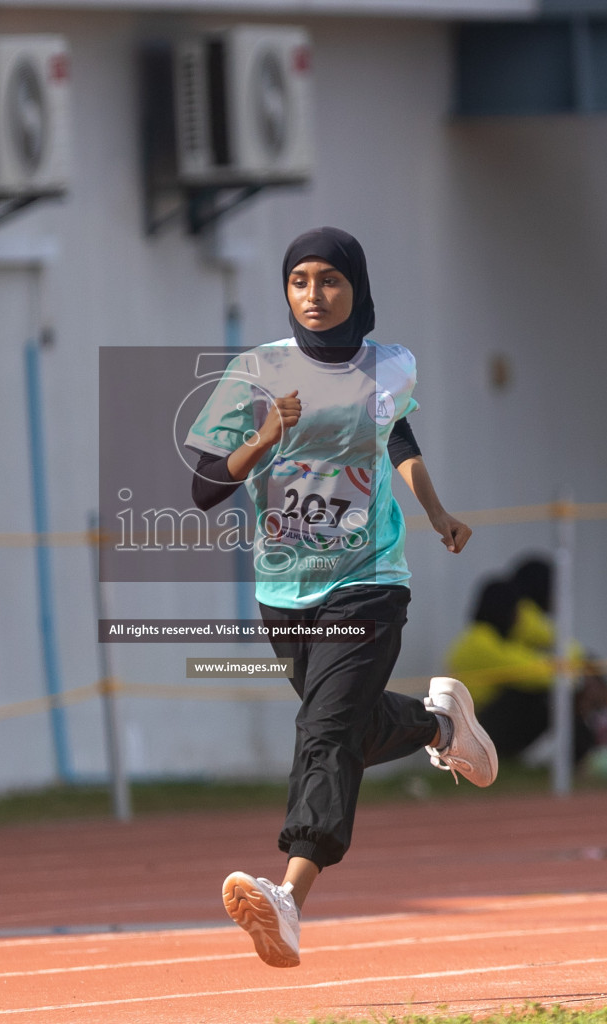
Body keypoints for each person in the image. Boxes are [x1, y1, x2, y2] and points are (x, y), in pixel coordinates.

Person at [183, 227, 498, 968]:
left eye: (329, 280)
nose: (314, 296)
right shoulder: (255, 371)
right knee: (346, 728)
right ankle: (436, 726)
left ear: (355, 288)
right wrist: (263, 438)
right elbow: (203, 489)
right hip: (283, 589)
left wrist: (435, 510)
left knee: (323, 734)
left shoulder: (390, 366)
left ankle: (290, 895)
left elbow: (396, 436)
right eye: (299, 281)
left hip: (368, 581)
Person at [446, 555, 607, 777]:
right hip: (474, 738)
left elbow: (570, 651)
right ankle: (592, 757)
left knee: (573, 676)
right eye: (517, 612)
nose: (521, 618)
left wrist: (582, 674)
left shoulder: (492, 638)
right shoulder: (479, 643)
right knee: (552, 694)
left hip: (487, 729)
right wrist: (582, 682)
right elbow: (537, 672)